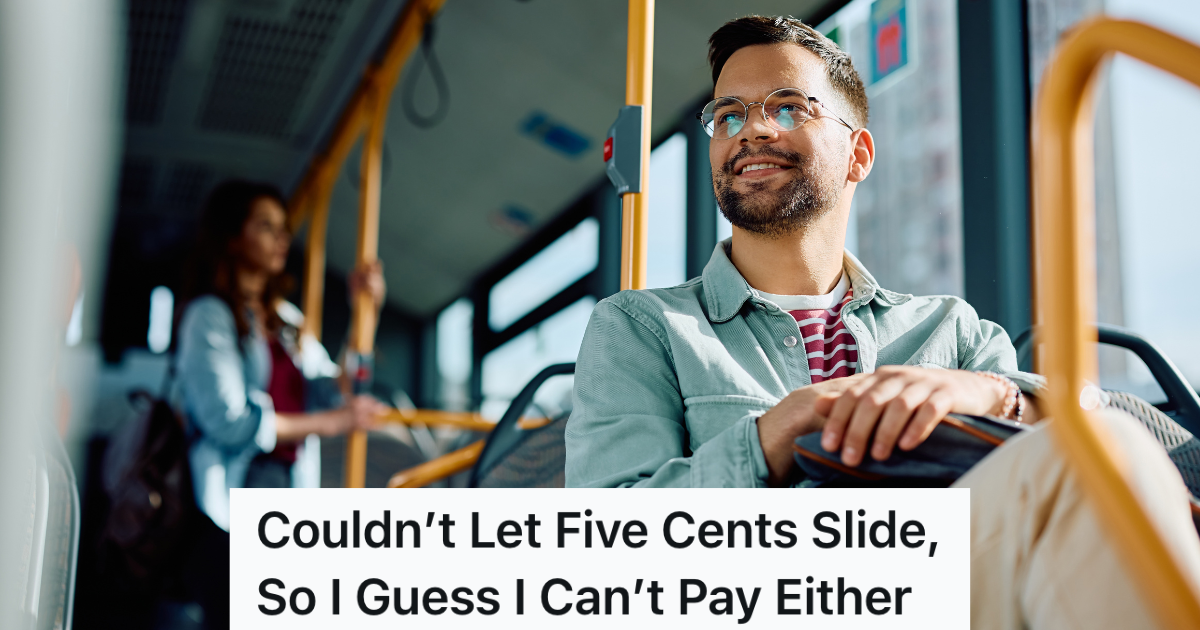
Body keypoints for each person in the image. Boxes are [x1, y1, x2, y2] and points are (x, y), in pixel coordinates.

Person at [566, 15, 1200, 628]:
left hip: (947, 587)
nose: (751, 128)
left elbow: (1078, 423)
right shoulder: (643, 327)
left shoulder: (950, 330)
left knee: (1106, 455)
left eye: (787, 106)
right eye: (728, 115)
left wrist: (993, 394)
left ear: (857, 153)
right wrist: (778, 431)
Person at [176, 179, 387, 531]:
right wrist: (331, 423)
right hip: (235, 490)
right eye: (265, 226)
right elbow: (229, 421)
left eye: (283, 229)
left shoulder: (285, 319)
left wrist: (366, 314)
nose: (281, 239)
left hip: (290, 483)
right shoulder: (209, 316)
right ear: (232, 237)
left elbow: (336, 389)